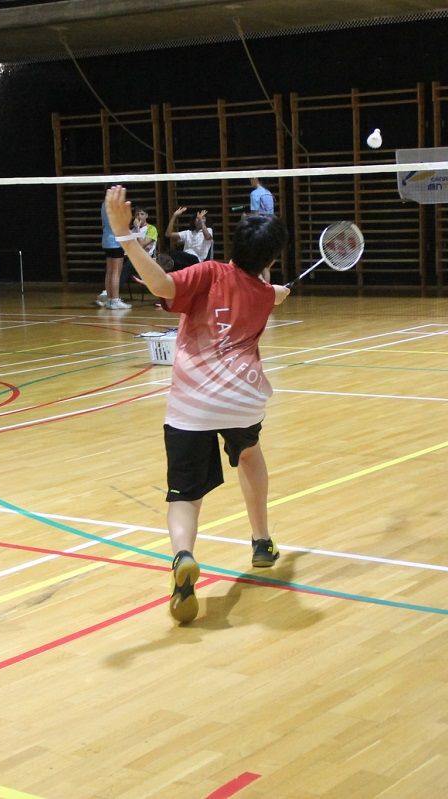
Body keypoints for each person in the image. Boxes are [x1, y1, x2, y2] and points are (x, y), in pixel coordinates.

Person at [104, 185, 290, 625]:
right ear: (270, 260)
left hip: (193, 404)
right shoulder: (266, 297)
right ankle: (261, 541)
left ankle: (184, 557)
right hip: (243, 400)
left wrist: (124, 235)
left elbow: (161, 283)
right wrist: (274, 291)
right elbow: (265, 293)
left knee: (185, 494)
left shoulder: (208, 273)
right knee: (248, 453)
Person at [97, 195, 132, 310]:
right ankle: (115, 300)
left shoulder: (104, 204)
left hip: (106, 240)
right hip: (116, 241)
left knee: (110, 271)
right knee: (116, 272)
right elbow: (122, 222)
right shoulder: (116, 205)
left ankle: (109, 299)